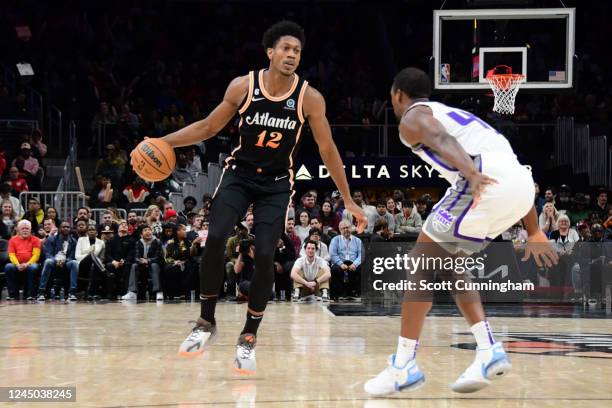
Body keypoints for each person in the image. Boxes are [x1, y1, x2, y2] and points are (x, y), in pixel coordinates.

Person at [140, 20, 366, 372]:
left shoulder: (310, 98)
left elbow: (327, 148)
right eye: (286, 48)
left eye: (297, 51)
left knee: (264, 253)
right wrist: (164, 142)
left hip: (276, 184)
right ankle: (206, 322)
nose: (292, 54)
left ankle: (248, 336)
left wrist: (348, 199)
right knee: (214, 238)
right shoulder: (244, 86)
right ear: (270, 52)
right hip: (239, 175)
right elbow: (208, 127)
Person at [364, 67, 557, 396]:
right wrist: (534, 231)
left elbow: (441, 140)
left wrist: (468, 172)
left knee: (421, 266)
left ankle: (403, 366)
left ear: (397, 95)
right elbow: (510, 174)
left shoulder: (413, 117)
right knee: (450, 263)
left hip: (481, 180)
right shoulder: (455, 114)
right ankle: (487, 350)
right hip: (523, 187)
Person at [37, 221, 79, 301]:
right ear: (59, 229)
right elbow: (48, 254)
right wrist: (56, 260)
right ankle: (41, 292)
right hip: (54, 261)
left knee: (74, 263)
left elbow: (72, 256)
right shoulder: (51, 239)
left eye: (67, 227)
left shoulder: (73, 241)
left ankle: (72, 292)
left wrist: (65, 260)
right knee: (48, 262)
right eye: (63, 227)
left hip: (66, 262)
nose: (66, 228)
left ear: (70, 229)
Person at [122, 225, 164, 301]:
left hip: (154, 263)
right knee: (134, 265)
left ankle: (158, 291)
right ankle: (132, 292)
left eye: (149, 230)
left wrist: (148, 260)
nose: (148, 232)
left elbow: (159, 257)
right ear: (141, 234)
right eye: (145, 230)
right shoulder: (138, 243)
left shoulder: (157, 242)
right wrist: (140, 261)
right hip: (142, 264)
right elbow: (135, 256)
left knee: (154, 265)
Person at [4, 220, 41, 300]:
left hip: (30, 264)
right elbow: (11, 255)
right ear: (18, 230)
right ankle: (13, 295)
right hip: (17, 264)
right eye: (23, 228)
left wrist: (27, 264)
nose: (25, 230)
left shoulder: (36, 240)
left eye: (27, 228)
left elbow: (36, 255)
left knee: (33, 267)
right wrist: (17, 264)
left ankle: (30, 294)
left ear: (30, 230)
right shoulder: (12, 240)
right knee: (8, 267)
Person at [329, 220, 363, 300]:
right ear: (340, 230)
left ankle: (356, 293)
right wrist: (340, 264)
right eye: (343, 228)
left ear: (351, 228)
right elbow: (332, 254)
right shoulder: (335, 240)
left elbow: (362, 254)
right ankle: (337, 294)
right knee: (335, 269)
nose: (345, 230)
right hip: (340, 262)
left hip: (353, 262)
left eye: (347, 227)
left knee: (361, 268)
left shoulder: (358, 240)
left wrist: (355, 264)